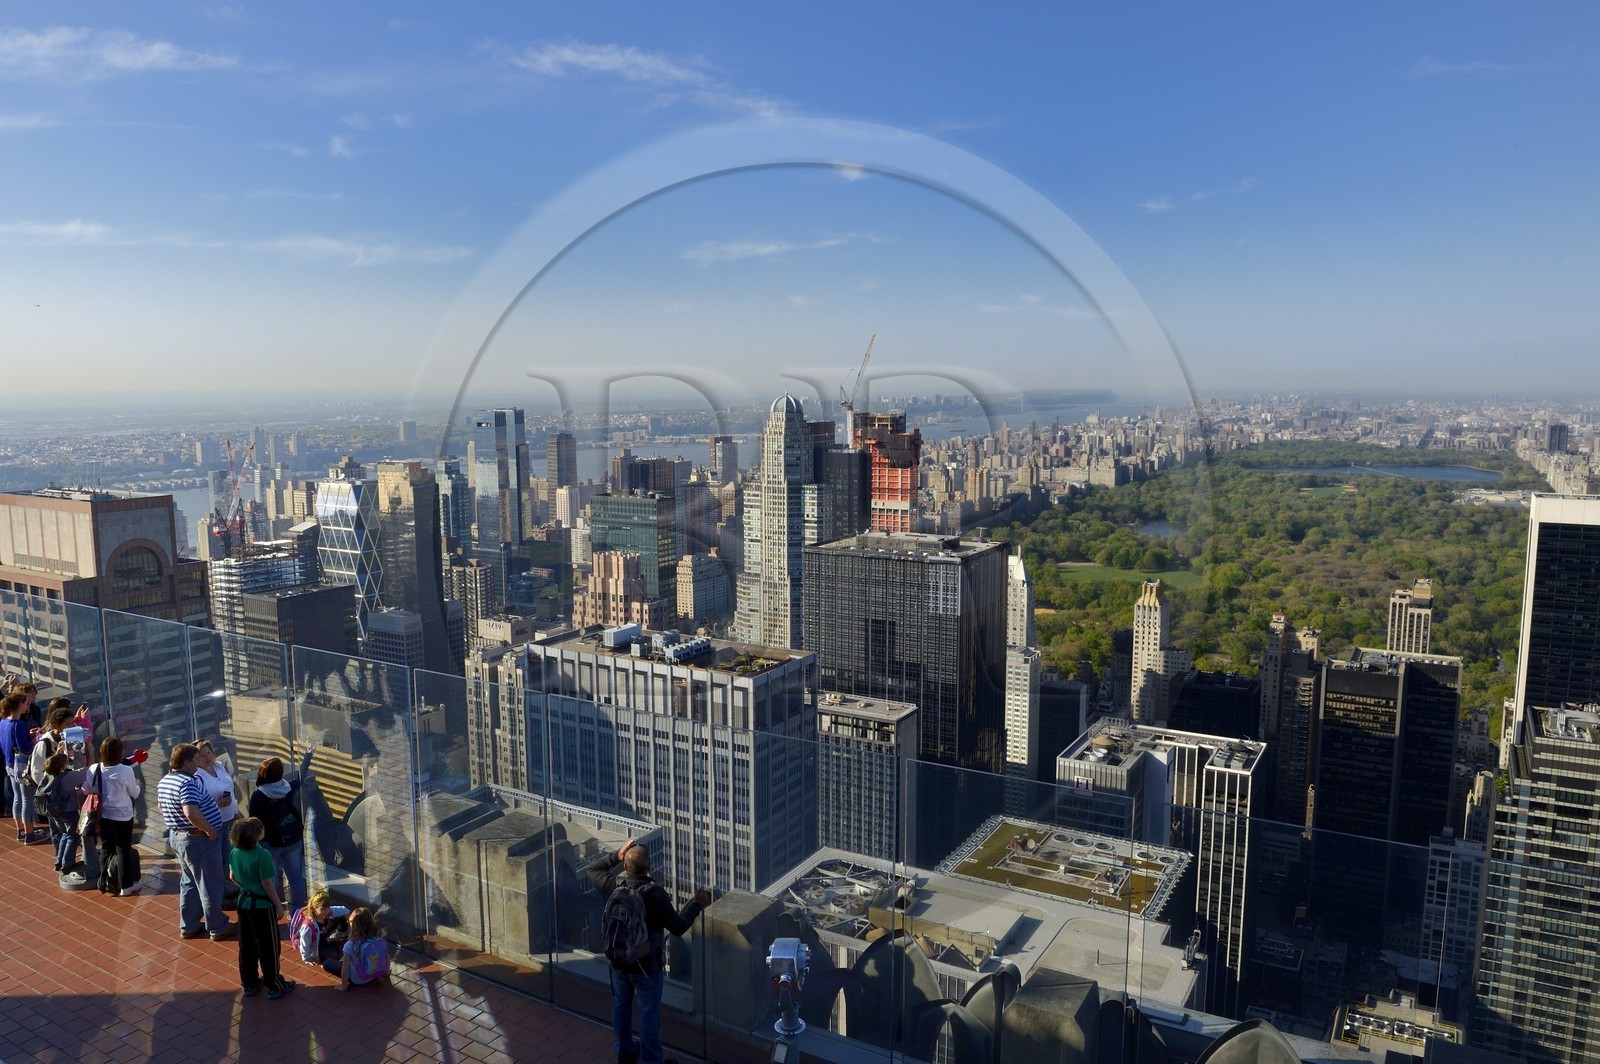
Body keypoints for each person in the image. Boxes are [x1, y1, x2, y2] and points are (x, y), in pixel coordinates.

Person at [587, 839, 711, 1064]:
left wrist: (616, 854)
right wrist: (697, 903)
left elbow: (592, 868)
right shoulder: (654, 894)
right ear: (649, 868)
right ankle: (652, 1061)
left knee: (621, 1006)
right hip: (646, 965)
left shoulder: (612, 885)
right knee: (648, 1014)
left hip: (617, 960)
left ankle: (625, 1052)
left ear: (625, 866)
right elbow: (678, 926)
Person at [157, 743, 234, 941]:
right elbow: (190, 811)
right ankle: (217, 926)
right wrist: (208, 829)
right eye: (195, 760)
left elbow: (160, 807)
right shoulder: (187, 783)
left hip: (179, 837)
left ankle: (189, 925)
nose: (198, 763)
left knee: (190, 880)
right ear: (186, 762)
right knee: (210, 882)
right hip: (197, 839)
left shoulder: (165, 780)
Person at [228, 817, 294, 999]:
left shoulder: (235, 852)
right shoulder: (262, 855)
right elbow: (267, 883)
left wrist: (246, 886)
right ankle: (274, 984)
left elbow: (232, 876)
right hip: (262, 907)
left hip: (244, 903)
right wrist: (278, 906)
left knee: (247, 945)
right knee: (269, 946)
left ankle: (248, 982)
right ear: (256, 835)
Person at [247, 757, 306, 911]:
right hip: (292, 839)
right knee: (296, 878)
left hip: (269, 844)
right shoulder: (287, 788)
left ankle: (273, 910)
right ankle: (297, 912)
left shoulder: (258, 796)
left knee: (270, 881)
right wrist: (308, 757)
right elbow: (301, 777)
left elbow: (254, 824)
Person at [89, 736, 144, 895]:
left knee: (106, 848)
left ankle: (105, 881)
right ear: (120, 752)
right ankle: (126, 886)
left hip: (103, 816)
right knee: (123, 850)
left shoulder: (94, 769)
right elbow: (134, 793)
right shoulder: (126, 770)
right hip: (123, 817)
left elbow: (87, 789)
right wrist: (138, 786)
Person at [193, 740, 242, 905]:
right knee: (216, 860)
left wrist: (235, 812)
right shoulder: (196, 776)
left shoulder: (219, 766)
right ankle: (219, 896)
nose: (207, 757)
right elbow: (197, 805)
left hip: (228, 819)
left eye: (209, 753)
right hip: (213, 823)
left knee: (226, 857)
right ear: (195, 759)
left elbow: (231, 791)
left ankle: (227, 889)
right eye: (202, 755)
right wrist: (218, 804)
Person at [35, 751, 84, 886]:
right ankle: (67, 864)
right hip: (68, 812)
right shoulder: (67, 777)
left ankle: (59, 861)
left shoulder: (47, 776)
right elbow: (85, 771)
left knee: (64, 834)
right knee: (73, 836)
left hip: (55, 813)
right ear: (62, 767)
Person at [0, 692, 40, 842]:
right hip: (22, 766)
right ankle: (30, 834)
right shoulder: (19, 724)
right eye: (26, 703)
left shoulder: (3, 722)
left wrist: (28, 736)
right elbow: (25, 748)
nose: (27, 706)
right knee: (27, 799)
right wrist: (36, 739)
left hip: (9, 764)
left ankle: (21, 831)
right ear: (19, 705)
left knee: (17, 798)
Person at [337, 907, 390, 991]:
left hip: (358, 980)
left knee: (328, 964)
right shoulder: (377, 938)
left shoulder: (349, 945)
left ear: (354, 925)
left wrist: (344, 986)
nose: (348, 923)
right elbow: (386, 955)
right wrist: (386, 972)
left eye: (350, 922)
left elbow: (345, 968)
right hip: (375, 973)